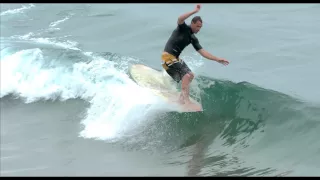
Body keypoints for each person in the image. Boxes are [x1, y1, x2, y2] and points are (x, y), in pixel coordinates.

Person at [161, 4, 229, 106]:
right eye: (197, 26)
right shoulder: (182, 28)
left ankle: (181, 98)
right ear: (192, 23)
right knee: (186, 75)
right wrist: (194, 11)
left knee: (191, 75)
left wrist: (217, 59)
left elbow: (202, 52)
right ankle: (186, 101)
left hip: (175, 58)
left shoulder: (193, 38)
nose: (198, 29)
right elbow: (180, 18)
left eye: (200, 27)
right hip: (167, 57)